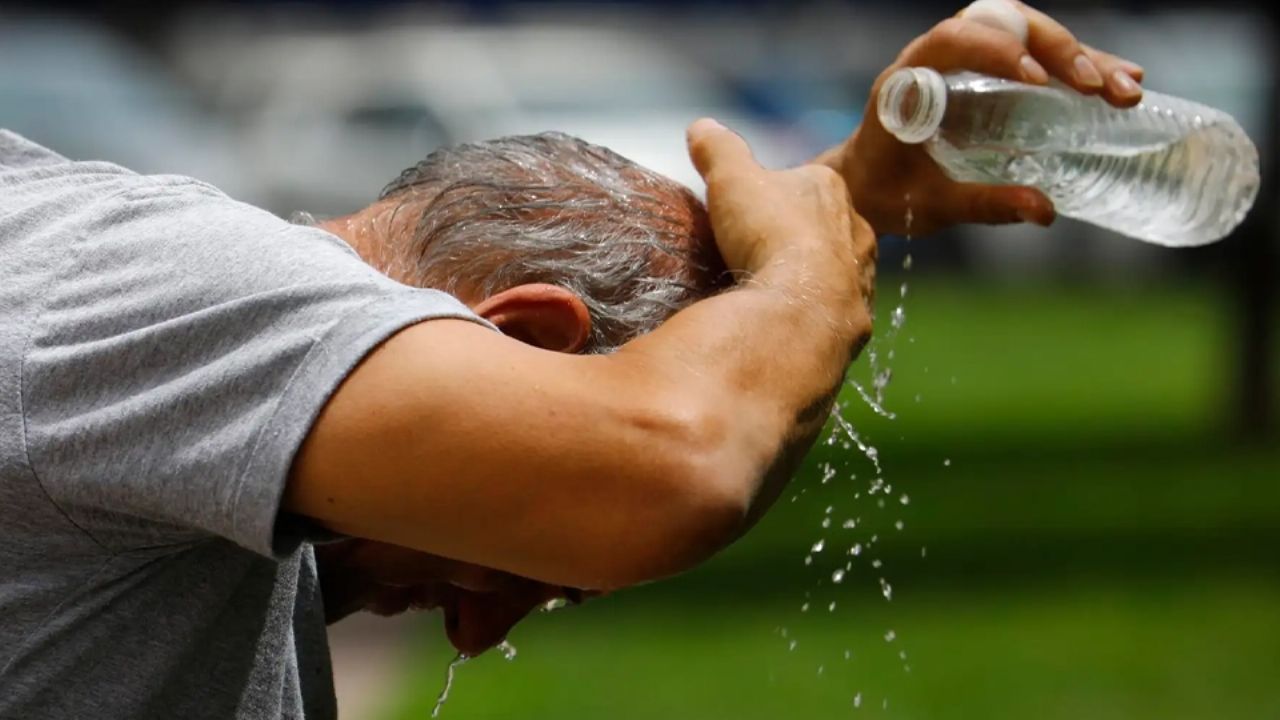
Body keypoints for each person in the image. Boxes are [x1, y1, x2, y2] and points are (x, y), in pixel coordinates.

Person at [0, 3, 1144, 718]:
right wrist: (805, 280)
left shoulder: (171, 360)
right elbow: (667, 472)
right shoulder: (170, 287)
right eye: (529, 563)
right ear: (527, 340)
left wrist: (836, 200)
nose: (475, 633)